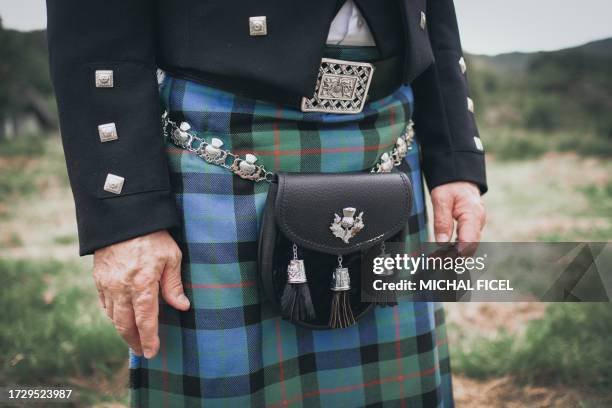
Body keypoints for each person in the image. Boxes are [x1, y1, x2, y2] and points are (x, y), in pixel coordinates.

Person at [46, 0, 486, 406]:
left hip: (385, 133)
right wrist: (127, 217)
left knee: (399, 389)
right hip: (220, 137)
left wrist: (454, 158)